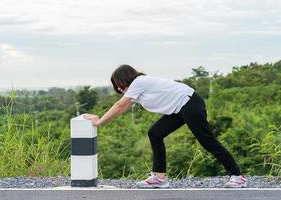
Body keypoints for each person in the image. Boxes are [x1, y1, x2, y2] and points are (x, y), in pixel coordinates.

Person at [84, 64, 248, 189]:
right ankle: (159, 178)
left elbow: (119, 105)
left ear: (125, 79)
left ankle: (237, 176)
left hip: (190, 103)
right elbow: (123, 107)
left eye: (119, 85)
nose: (119, 89)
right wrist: (100, 117)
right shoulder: (137, 89)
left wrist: (98, 122)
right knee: (155, 133)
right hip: (179, 108)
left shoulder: (139, 82)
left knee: (207, 141)